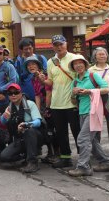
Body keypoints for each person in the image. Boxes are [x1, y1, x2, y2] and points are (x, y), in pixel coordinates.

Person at [67, 55, 109, 177]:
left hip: (94, 112)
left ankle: (83, 167)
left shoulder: (92, 76)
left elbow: (106, 89)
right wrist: (74, 94)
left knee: (82, 139)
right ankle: (106, 162)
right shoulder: (75, 81)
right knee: (92, 140)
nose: (78, 65)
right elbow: (74, 102)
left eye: (80, 63)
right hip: (82, 113)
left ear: (85, 64)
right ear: (73, 67)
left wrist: (90, 91)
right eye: (75, 64)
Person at [43, 34, 79, 168]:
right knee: (61, 133)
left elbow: (81, 76)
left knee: (77, 131)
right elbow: (50, 82)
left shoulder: (74, 58)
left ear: (66, 44)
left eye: (61, 44)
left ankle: (83, 158)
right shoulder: (50, 61)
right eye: (55, 45)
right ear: (52, 46)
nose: (58, 47)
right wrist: (43, 80)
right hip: (56, 103)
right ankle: (65, 158)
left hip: (72, 102)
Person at [0, 83, 44, 174]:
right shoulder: (9, 107)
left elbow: (38, 122)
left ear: (21, 93)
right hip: (20, 139)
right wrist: (5, 117)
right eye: (10, 93)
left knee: (29, 131)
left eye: (16, 92)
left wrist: (26, 124)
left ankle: (32, 162)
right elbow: (2, 121)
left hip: (35, 137)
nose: (13, 95)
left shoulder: (30, 104)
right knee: (4, 157)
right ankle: (26, 155)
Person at [89, 47, 109, 158]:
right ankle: (96, 151)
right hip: (96, 100)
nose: (102, 56)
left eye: (104, 54)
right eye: (99, 54)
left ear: (107, 56)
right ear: (95, 57)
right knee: (96, 126)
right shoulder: (90, 70)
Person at [14, 38, 48, 103]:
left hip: (41, 94)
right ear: (21, 50)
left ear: (33, 47)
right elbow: (18, 78)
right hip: (26, 94)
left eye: (30, 48)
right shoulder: (19, 62)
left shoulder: (40, 58)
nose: (28, 51)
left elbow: (47, 73)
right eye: (26, 49)